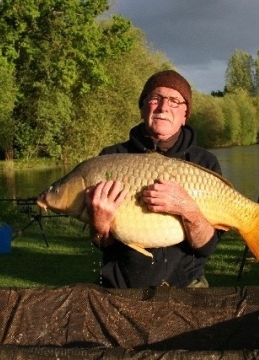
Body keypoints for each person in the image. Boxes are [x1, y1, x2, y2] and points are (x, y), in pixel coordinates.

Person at [85, 69, 223, 288]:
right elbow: (103, 244)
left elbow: (205, 247)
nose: (164, 107)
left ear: (185, 115)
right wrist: (99, 223)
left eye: (175, 101)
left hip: (186, 287)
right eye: (155, 98)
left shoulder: (204, 163)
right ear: (142, 107)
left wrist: (188, 208)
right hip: (122, 287)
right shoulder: (111, 159)